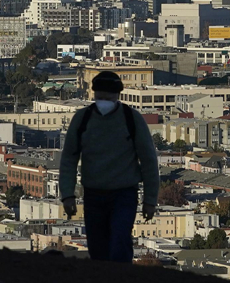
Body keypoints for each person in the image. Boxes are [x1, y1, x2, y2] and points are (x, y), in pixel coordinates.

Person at [59, 71, 159, 263]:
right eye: (99, 97)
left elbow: (148, 161)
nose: (103, 101)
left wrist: (150, 200)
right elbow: (69, 159)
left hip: (124, 194)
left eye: (108, 97)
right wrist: (67, 195)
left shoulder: (132, 119)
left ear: (117, 96)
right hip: (93, 194)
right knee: (97, 247)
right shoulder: (83, 119)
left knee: (120, 242)